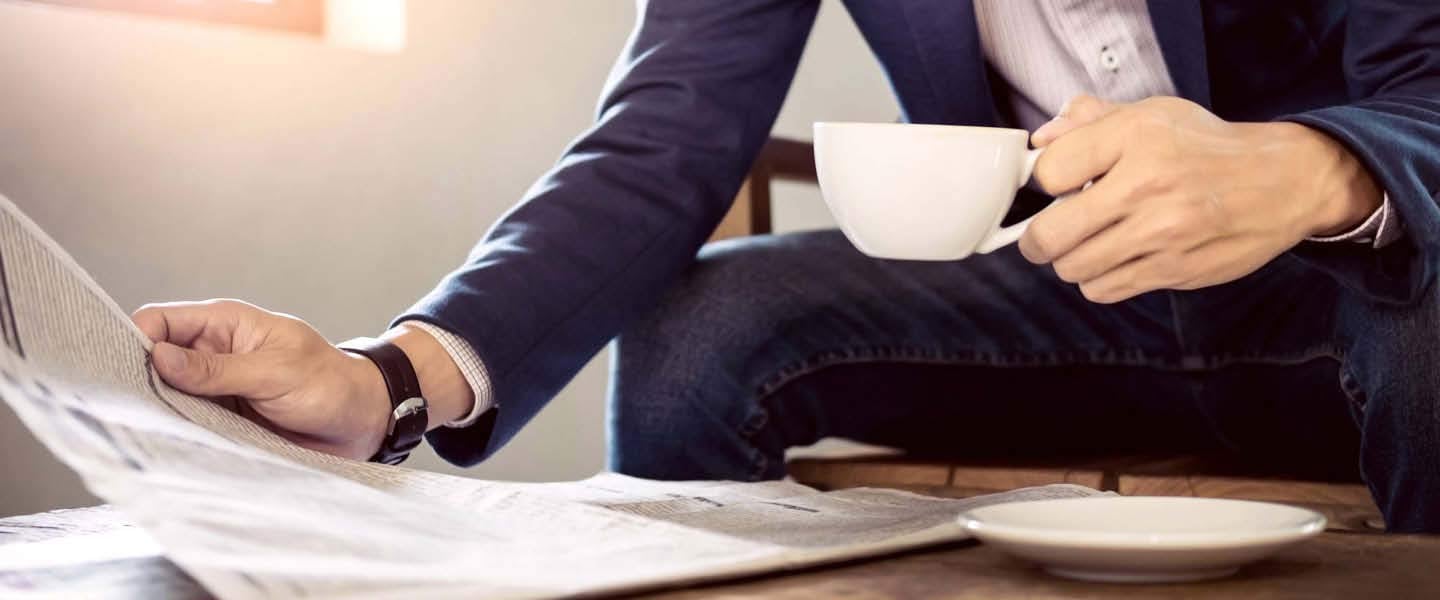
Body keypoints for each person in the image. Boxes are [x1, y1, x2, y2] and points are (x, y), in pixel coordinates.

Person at [131, 1, 1440, 532]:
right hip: (1060, 285)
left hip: (1360, 285)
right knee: (713, 324)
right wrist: (389, 382)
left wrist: (1321, 171)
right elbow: (665, 133)